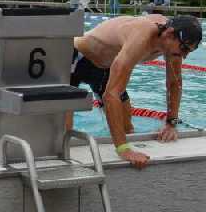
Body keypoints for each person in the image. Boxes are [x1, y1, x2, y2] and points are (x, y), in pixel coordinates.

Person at [69, 14, 202, 169]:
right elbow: (111, 95)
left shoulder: (174, 45)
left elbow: (174, 83)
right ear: (169, 33)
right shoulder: (142, 35)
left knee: (128, 130)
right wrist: (123, 149)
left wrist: (171, 124)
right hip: (76, 58)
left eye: (189, 52)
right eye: (184, 49)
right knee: (64, 133)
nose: (184, 56)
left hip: (104, 67)